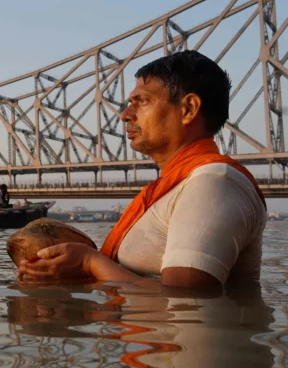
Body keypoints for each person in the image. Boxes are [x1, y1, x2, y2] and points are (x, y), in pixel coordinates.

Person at [18, 50, 266, 289]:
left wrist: (89, 261)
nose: (125, 115)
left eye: (143, 101)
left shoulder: (213, 183)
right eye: (129, 104)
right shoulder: (177, 187)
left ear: (188, 109)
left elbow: (188, 306)